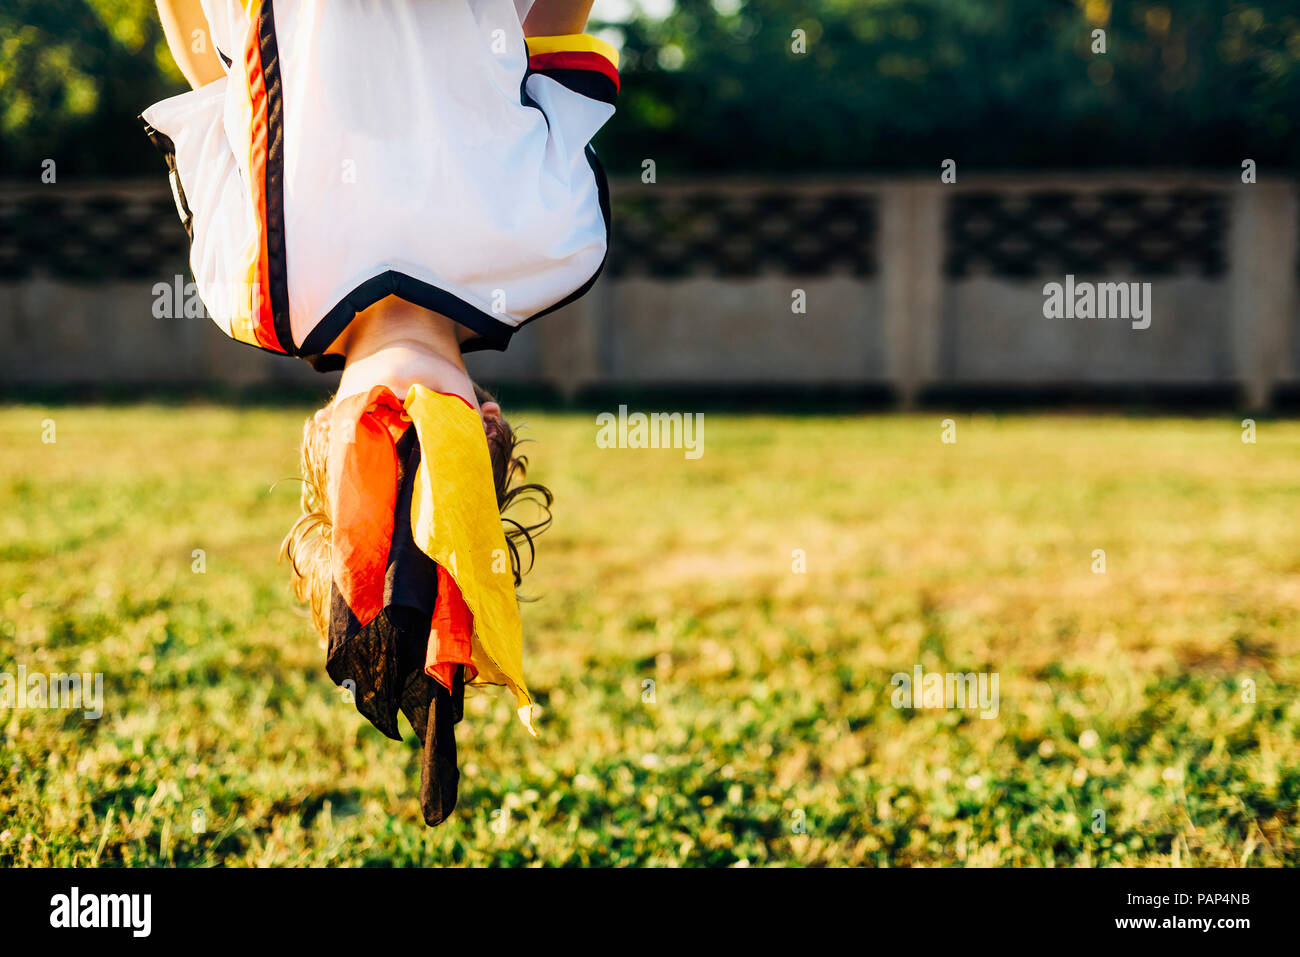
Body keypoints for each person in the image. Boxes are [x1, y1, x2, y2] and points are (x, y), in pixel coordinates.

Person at [144, 0, 619, 825]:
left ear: (491, 419)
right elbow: (210, 67)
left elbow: (550, 30)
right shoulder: (246, 283)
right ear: (318, 437)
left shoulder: (558, 242)